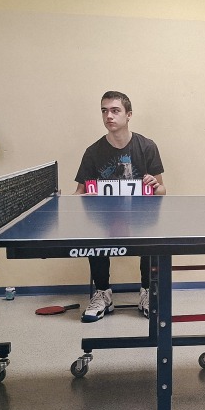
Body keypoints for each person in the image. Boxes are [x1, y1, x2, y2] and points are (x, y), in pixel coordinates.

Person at [74, 91, 165, 322]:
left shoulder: (147, 147)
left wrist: (155, 186)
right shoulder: (93, 152)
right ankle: (103, 294)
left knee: (151, 236)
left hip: (140, 215)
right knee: (94, 238)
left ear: (129, 115)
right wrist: (78, 199)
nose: (109, 116)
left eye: (115, 110)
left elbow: (162, 190)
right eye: (104, 111)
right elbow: (79, 192)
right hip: (104, 218)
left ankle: (147, 292)